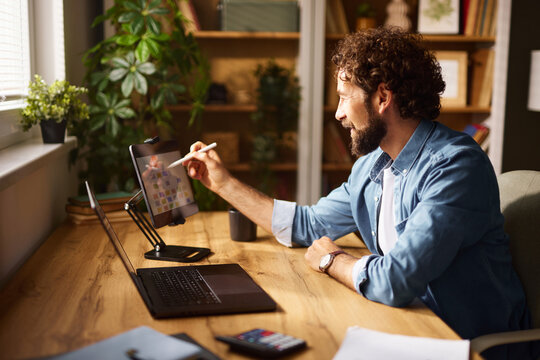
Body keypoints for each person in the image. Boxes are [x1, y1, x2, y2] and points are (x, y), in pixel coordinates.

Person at [184, 27, 537, 360]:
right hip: (407, 324)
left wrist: (332, 260)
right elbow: (308, 225)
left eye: (342, 97)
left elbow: (395, 280)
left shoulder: (455, 167)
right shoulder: (373, 166)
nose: (338, 114)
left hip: (465, 343)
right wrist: (222, 182)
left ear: (382, 97)